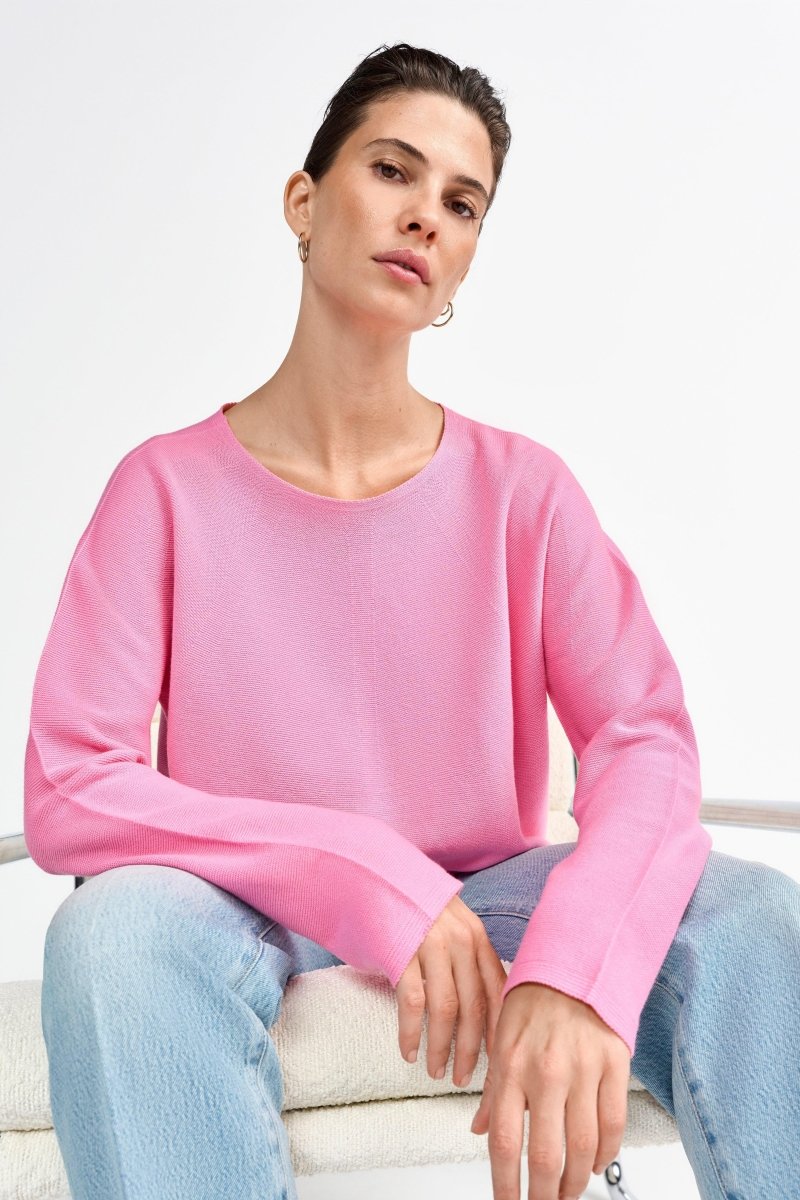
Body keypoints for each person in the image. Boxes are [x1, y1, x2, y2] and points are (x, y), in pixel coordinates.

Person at [25, 41, 800, 1200]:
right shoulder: (163, 491)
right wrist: (369, 873)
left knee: (749, 915)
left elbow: (642, 741)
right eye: (392, 170)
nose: (425, 216)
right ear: (303, 201)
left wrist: (575, 967)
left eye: (461, 202)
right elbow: (73, 786)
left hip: (493, 899)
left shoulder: (522, 491)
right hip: (241, 908)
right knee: (109, 937)